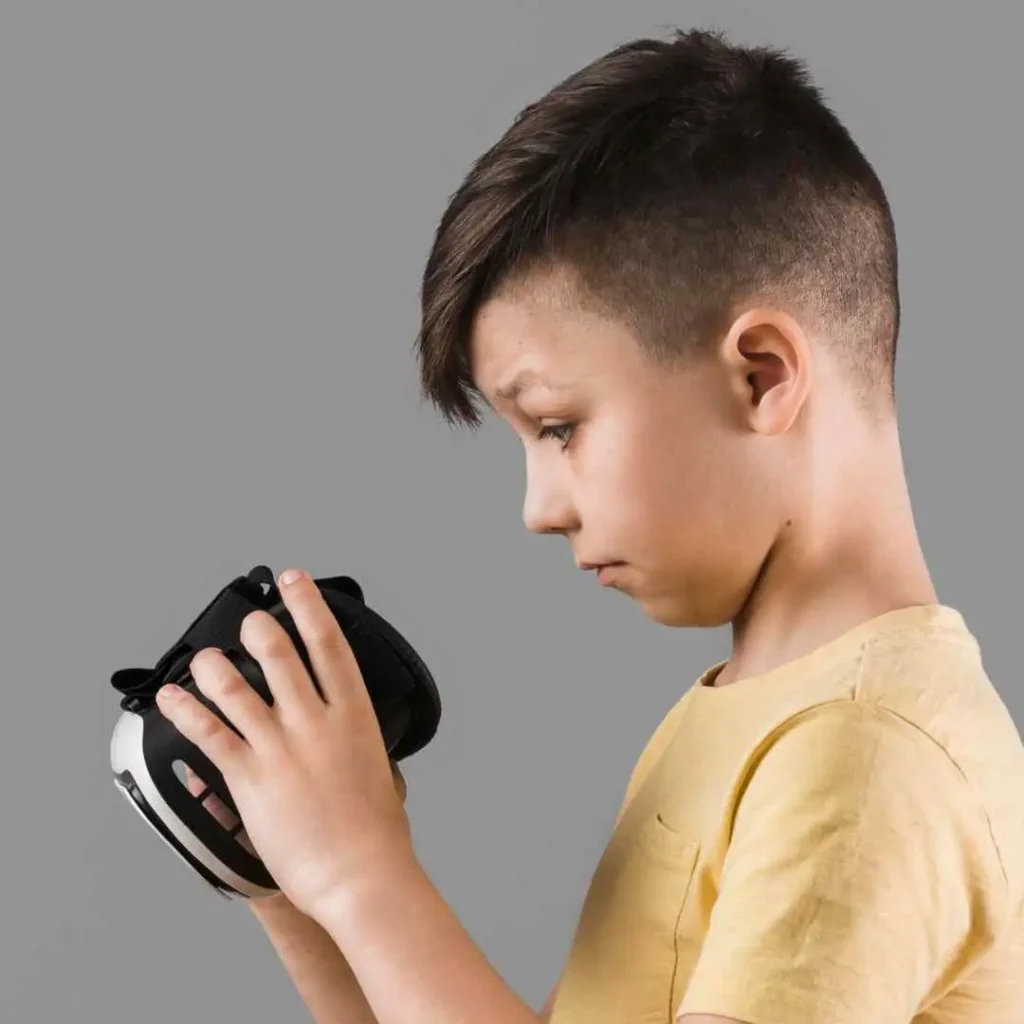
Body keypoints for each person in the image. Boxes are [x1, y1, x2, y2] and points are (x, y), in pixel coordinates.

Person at [160, 26, 1024, 1024]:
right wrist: (301, 893)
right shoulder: (753, 713)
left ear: (762, 376)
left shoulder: (865, 755)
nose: (537, 508)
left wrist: (362, 875)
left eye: (559, 426)